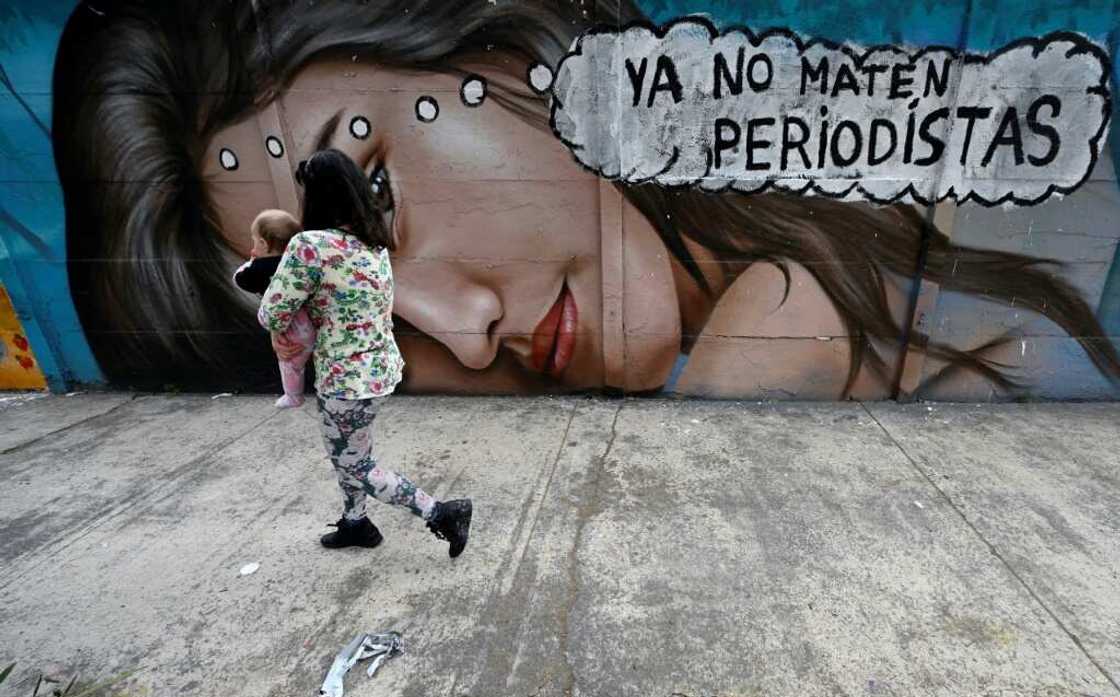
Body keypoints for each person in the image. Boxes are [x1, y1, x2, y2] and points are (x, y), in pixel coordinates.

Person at [52, 0, 1120, 398]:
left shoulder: (1015, 249)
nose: (464, 333)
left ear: (503, 42)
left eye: (373, 193)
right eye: (346, 324)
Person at [256, 149, 472, 556]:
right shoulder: (371, 243)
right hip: (377, 369)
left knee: (354, 463)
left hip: (345, 378)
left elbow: (271, 313)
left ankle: (442, 512)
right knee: (351, 453)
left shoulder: (310, 246)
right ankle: (356, 523)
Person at [233, 209, 314, 408]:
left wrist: (252, 261)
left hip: (290, 329)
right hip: (313, 321)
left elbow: (239, 279)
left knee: (290, 363)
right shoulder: (300, 262)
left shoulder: (261, 267)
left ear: (263, 244)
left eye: (254, 241)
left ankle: (293, 396)